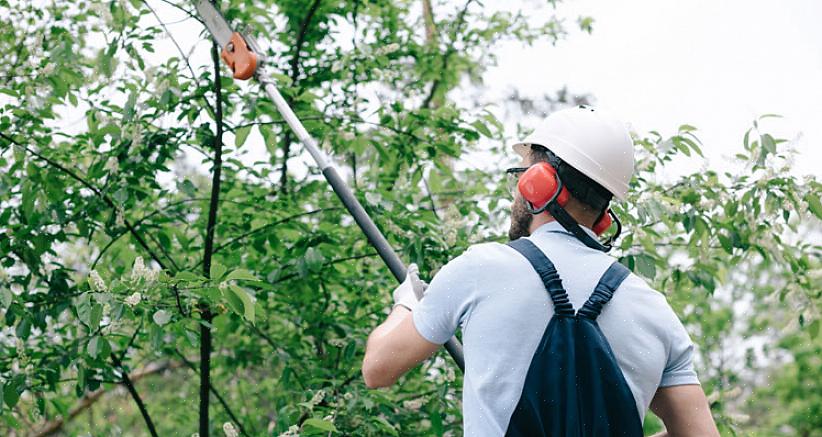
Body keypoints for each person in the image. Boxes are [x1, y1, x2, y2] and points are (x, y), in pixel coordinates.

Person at [362, 106, 719, 436]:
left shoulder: (479, 270)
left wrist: (406, 304)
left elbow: (377, 369)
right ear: (604, 215)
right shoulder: (654, 310)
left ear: (538, 182)